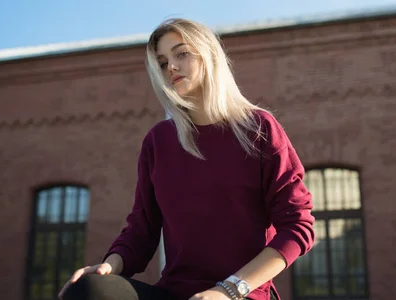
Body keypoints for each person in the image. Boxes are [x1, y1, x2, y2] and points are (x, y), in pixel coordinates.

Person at [58, 18, 315, 300]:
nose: (171, 67)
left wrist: (227, 290)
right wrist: (110, 265)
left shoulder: (259, 129)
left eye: (181, 54)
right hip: (174, 293)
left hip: (242, 294)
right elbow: (140, 230)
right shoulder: (158, 141)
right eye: (162, 62)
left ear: (209, 56)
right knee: (86, 289)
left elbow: (298, 227)